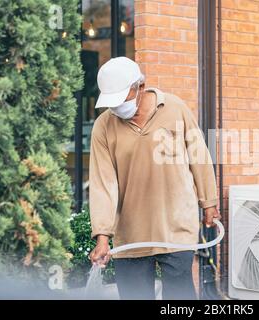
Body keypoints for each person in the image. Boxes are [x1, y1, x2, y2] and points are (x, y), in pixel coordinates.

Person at [88, 57, 221, 300]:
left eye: (122, 98)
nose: (116, 106)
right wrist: (103, 236)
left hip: (176, 225)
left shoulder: (175, 108)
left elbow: (198, 156)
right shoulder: (103, 126)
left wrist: (208, 203)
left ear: (139, 86)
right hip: (131, 233)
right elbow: (103, 184)